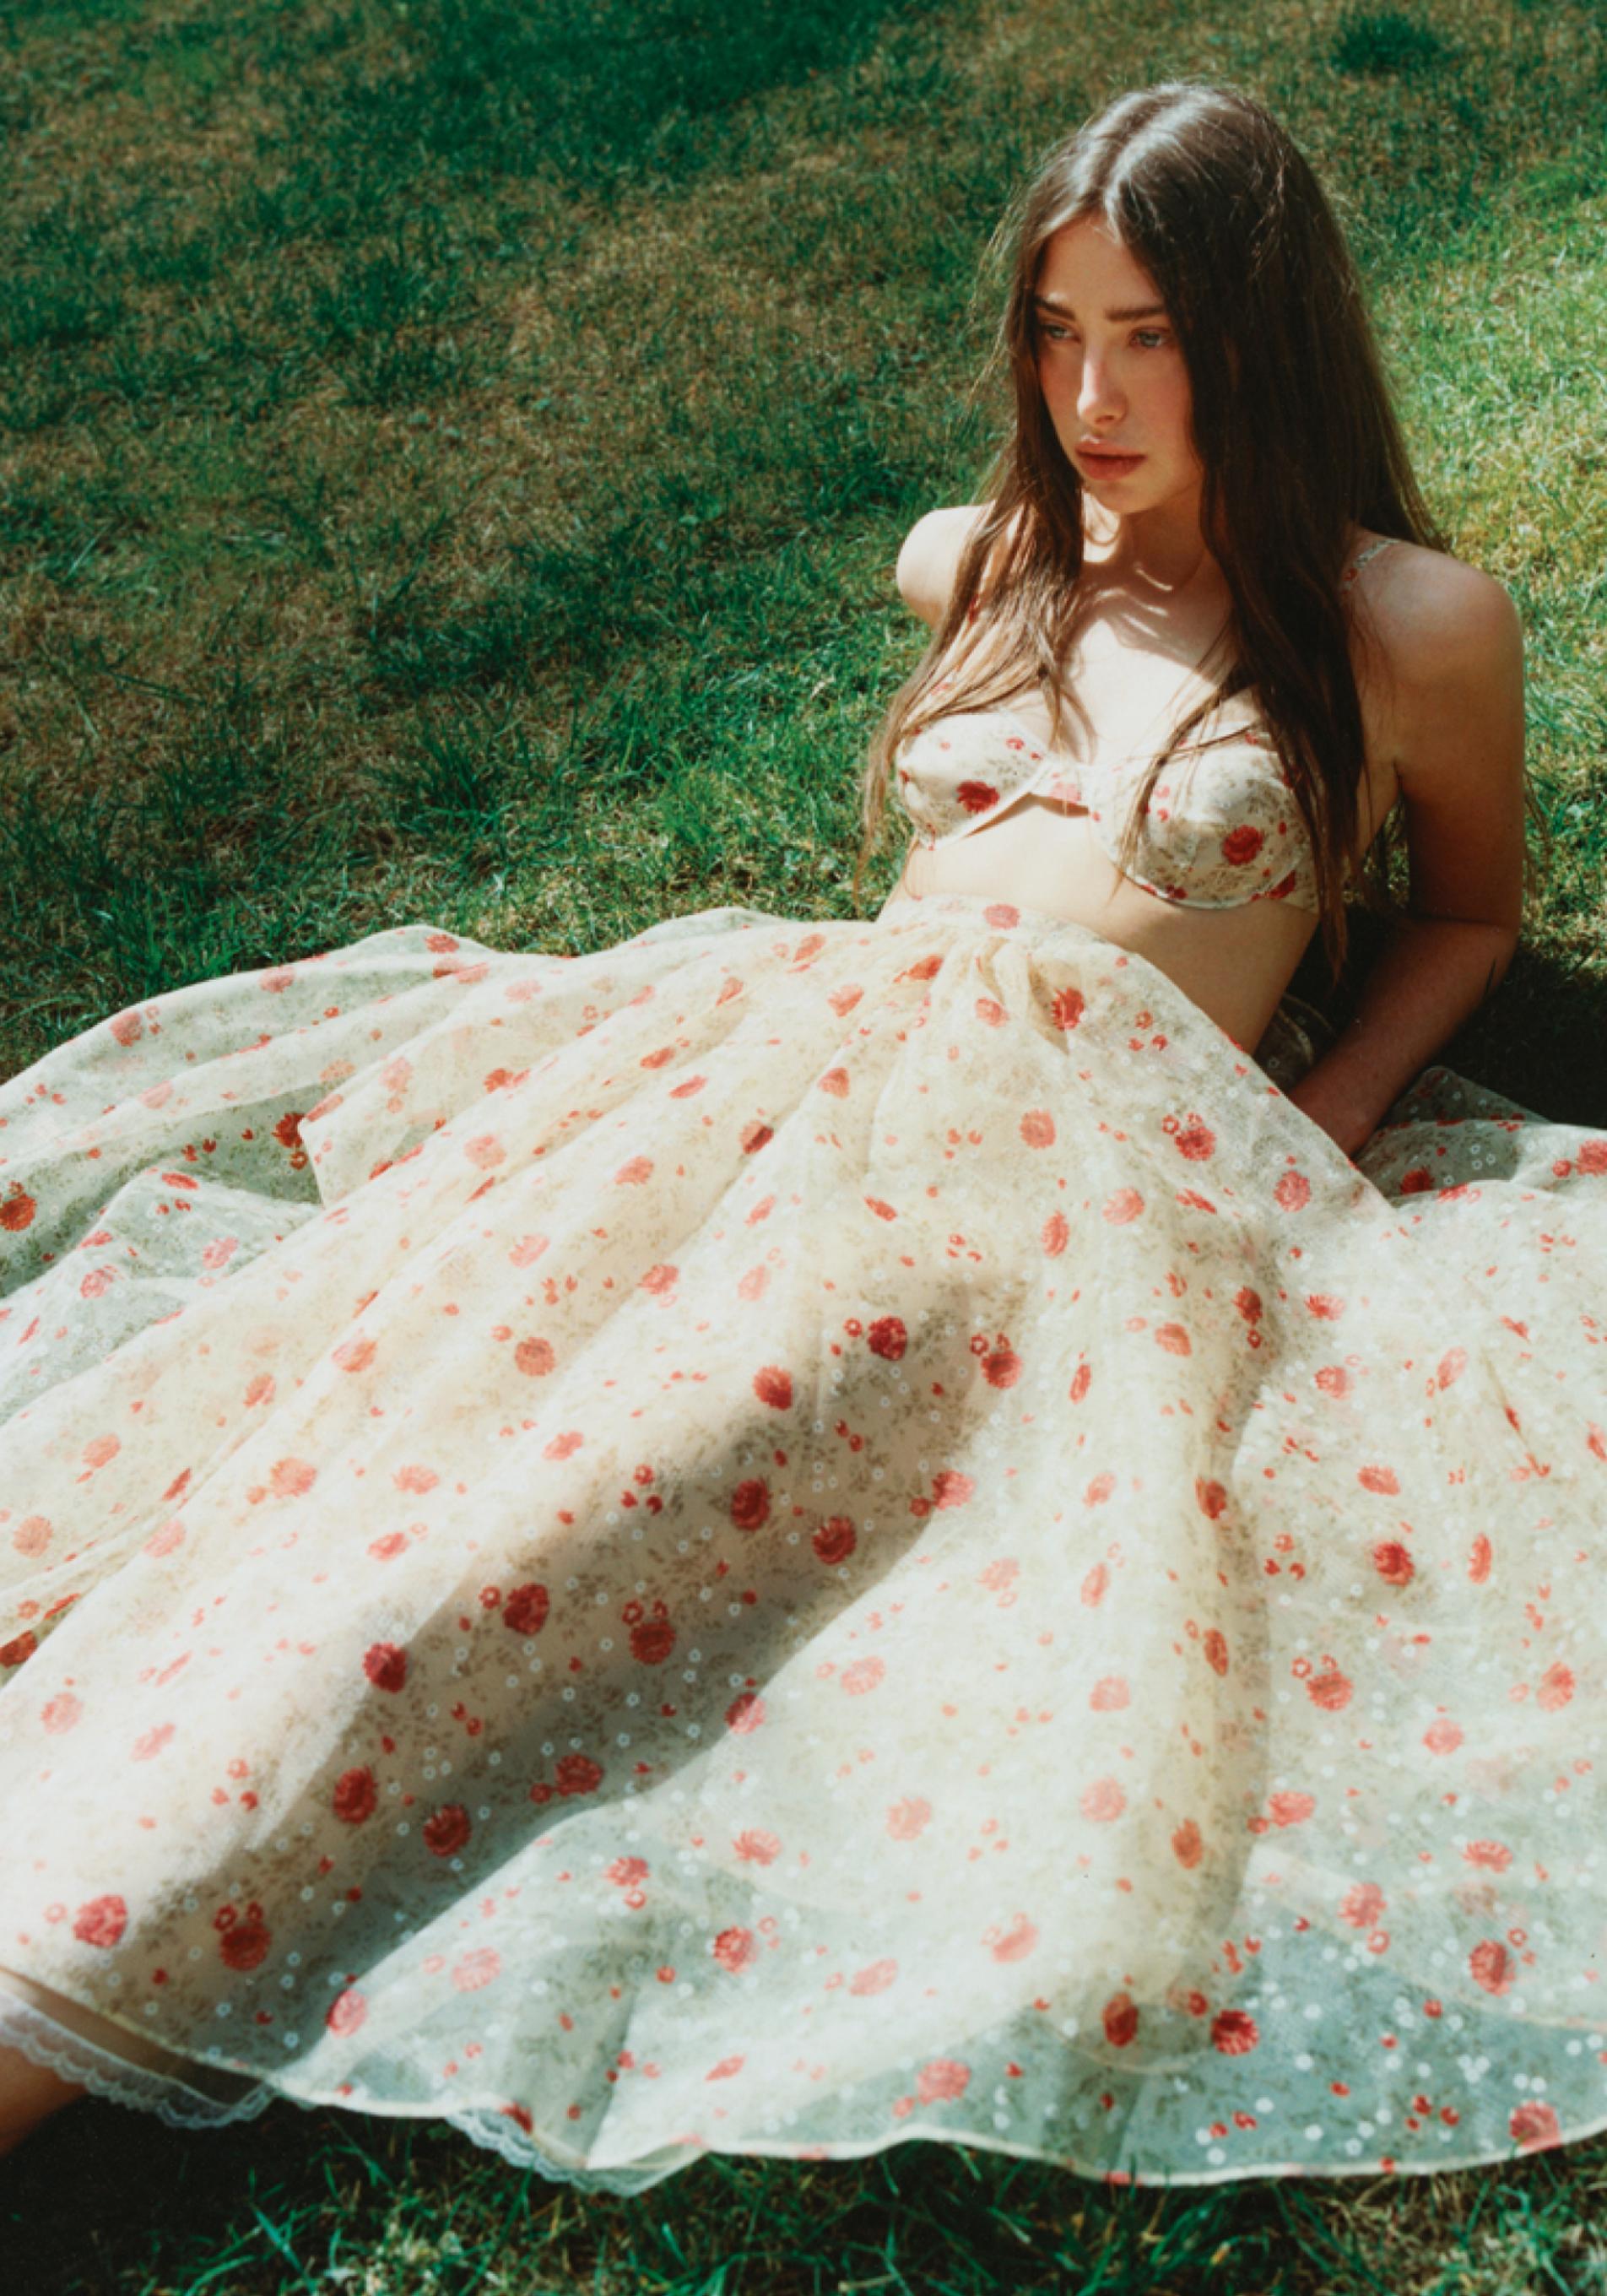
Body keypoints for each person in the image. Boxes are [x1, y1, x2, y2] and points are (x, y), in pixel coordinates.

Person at [0, 78, 1601, 2194]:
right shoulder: (985, 558)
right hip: (767, 1072)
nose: (1091, 398)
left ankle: (83, 1950)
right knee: (363, 1424)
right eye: (1055, 333)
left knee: (520, 1544)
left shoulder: (1410, 624)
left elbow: (1467, 916)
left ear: (1266, 339)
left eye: (1150, 338)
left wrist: (1317, 1114)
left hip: (1063, 1163)